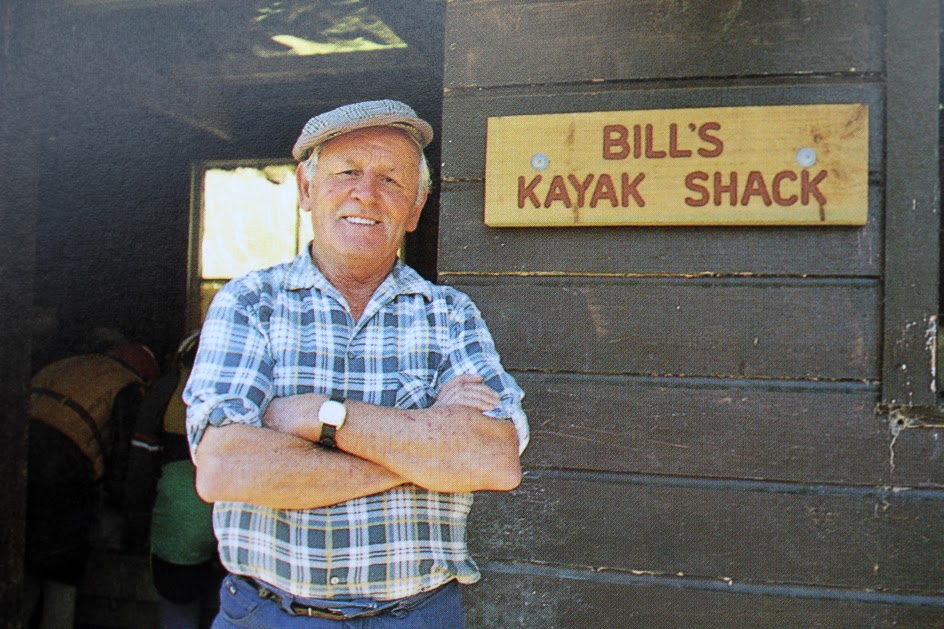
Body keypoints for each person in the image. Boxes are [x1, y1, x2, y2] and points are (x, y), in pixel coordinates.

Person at [184, 99, 529, 628]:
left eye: (391, 180)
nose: (365, 194)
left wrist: (315, 417)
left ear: (414, 209)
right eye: (347, 172)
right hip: (270, 615)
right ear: (305, 188)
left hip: (415, 617)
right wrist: (421, 457)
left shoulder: (450, 315)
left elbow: (493, 461)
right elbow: (226, 467)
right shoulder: (250, 302)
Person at [26, 340, 160, 629]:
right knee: (62, 561)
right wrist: (128, 514)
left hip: (15, 455)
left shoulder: (68, 363)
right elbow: (126, 459)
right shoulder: (128, 385)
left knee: (21, 552)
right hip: (63, 464)